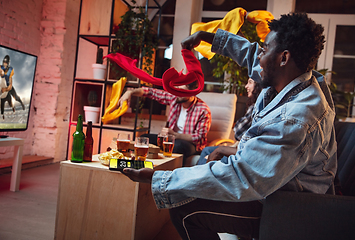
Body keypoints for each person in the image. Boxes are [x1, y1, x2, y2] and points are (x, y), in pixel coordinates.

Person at [121, 12, 337, 240]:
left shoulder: (296, 118)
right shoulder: (295, 80)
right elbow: (251, 55)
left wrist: (161, 177)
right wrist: (209, 38)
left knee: (185, 209)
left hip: (288, 205)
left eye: (265, 49)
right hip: (276, 187)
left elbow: (243, 176)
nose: (259, 57)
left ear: (283, 58)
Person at [119, 81, 211, 162]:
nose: (176, 93)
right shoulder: (175, 98)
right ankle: (143, 169)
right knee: (144, 139)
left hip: (191, 145)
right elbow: (150, 92)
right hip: (170, 140)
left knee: (178, 146)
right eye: (177, 89)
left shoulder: (203, 110)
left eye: (181, 91)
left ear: (192, 92)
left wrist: (175, 135)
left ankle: (170, 175)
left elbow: (199, 137)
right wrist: (130, 92)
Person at [197, 78, 261, 165]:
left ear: (258, 87)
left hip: (245, 152)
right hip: (240, 147)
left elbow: (238, 132)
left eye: (250, 83)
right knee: (207, 151)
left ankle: (200, 176)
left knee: (208, 156)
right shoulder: (256, 105)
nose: (246, 86)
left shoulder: (257, 107)